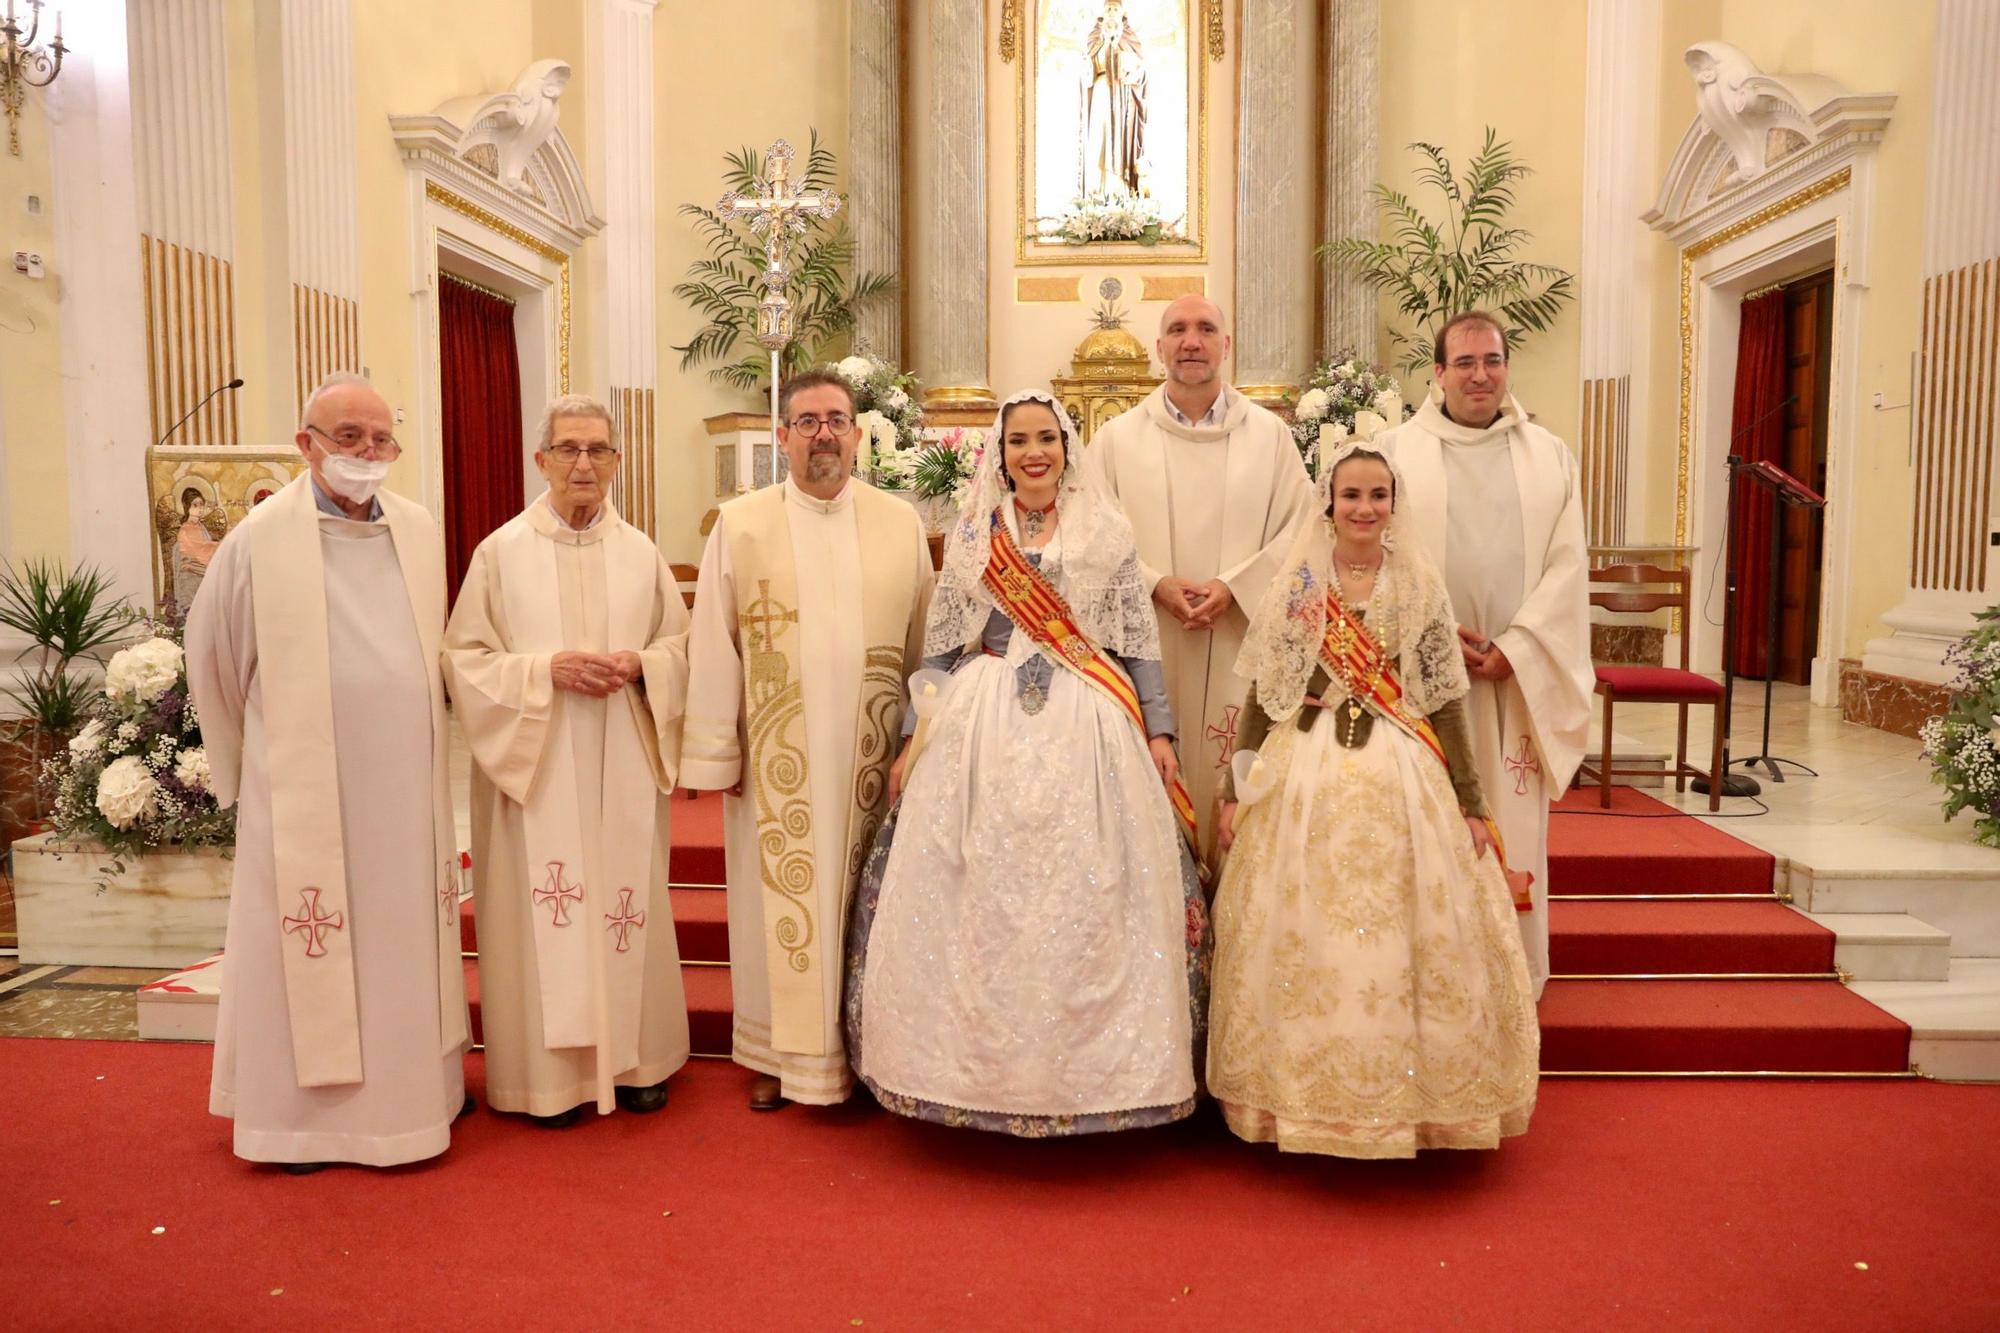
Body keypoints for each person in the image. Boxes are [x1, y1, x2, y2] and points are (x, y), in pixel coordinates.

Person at [844, 390, 1209, 1135]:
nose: (1033, 452)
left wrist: (1160, 730)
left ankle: (1101, 1077)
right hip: (984, 714)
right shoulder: (977, 532)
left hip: (1090, 715)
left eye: (1046, 438)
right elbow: (944, 644)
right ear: (1001, 453)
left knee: (1095, 883)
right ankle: (964, 1071)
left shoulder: (1107, 528)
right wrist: (916, 733)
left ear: (1067, 447)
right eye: (1019, 441)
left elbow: (1136, 642)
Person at [1208, 440, 1539, 1158]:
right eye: (1351, 495)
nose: (1364, 508)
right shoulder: (1300, 584)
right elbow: (1267, 696)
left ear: (1395, 504)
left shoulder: (1418, 582)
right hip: (1305, 771)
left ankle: (1412, 1100)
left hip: (1401, 767)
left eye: (1377, 495)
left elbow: (1448, 702)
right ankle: (1298, 1097)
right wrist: (1237, 790)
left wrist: (1472, 802)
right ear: (1328, 504)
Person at [186, 372, 468, 1171]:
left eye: (381, 440)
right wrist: (254, 770)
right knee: (308, 948)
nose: (367, 454)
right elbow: (214, 658)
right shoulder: (257, 540)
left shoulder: (416, 529)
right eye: (349, 438)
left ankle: (420, 1101)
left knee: (401, 946)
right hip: (304, 793)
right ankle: (301, 1125)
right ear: (306, 443)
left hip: (406, 794)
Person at [681, 369, 934, 1110]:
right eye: (807, 421)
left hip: (871, 748)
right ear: (782, 436)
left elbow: (925, 641)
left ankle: (869, 1047)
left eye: (836, 419)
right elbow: (714, 638)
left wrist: (921, 740)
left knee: (868, 895)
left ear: (859, 434)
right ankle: (777, 1052)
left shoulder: (901, 521)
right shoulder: (742, 521)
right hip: (775, 749)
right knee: (773, 905)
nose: (823, 433)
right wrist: (714, 750)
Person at [444, 394, 692, 1127]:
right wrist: (543, 670)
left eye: (598, 450)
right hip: (539, 761)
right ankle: (548, 1080)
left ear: (617, 461)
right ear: (541, 459)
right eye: (569, 448)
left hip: (620, 751)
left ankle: (637, 1061)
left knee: (624, 904)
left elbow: (681, 648)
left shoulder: (640, 552)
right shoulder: (500, 552)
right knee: (543, 908)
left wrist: (642, 664)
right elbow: (463, 660)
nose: (584, 463)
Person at [1373, 312, 1593, 996]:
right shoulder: (1393, 453)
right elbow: (1368, 560)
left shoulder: (1549, 455)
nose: (1480, 374)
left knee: (1511, 831)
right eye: (1463, 362)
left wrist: (1517, 648)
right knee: (1424, 829)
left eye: (1491, 360)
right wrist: (1433, 641)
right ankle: (1428, 981)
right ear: (1436, 373)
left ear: (1506, 367)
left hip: (1513, 681)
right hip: (1419, 683)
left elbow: (1568, 567)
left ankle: (1507, 982)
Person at [1082, 294, 1319, 854]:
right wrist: (1153, 584)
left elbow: (1302, 531)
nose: (1192, 341)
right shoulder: (1117, 440)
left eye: (1206, 328)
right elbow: (1087, 534)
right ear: (1160, 347)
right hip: (1144, 647)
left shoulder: (1270, 437)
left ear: (1226, 345)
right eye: (1179, 330)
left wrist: (1234, 588)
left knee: (1234, 802)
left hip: (1242, 642)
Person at [1082, 0, 1148, 197]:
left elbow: (1141, 72)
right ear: (1103, 12)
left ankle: (1120, 189)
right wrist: (1105, 43)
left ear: (1122, 12)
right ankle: (1097, 191)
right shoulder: (1095, 36)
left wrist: (1131, 67)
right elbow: (1087, 71)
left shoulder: (1131, 38)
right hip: (1102, 92)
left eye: (1115, 9)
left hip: (1123, 96)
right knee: (1099, 138)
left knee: (1121, 141)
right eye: (1108, 9)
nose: (1111, 13)